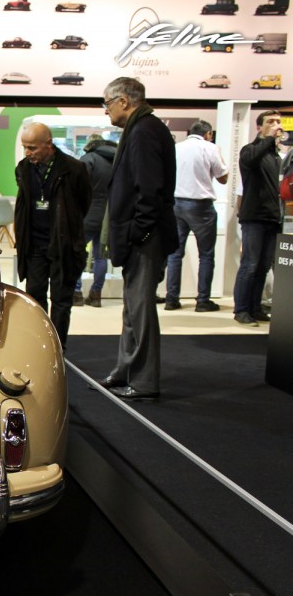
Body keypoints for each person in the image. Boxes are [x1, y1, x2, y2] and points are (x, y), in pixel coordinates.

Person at [97, 77, 177, 400]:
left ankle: (143, 381)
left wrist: (138, 231)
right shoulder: (142, 129)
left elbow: (150, 190)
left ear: (124, 101)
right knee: (132, 308)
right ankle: (126, 370)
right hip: (141, 234)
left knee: (140, 310)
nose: (106, 111)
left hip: (145, 236)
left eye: (107, 103)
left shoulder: (144, 131)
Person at [13, 122, 92, 349]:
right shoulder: (23, 169)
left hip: (63, 247)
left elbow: (83, 204)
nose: (27, 153)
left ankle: (57, 348)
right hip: (34, 246)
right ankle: (38, 347)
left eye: (32, 148)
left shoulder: (74, 169)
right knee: (34, 298)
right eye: (25, 147)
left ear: (48, 144)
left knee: (61, 301)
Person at [164, 120, 229, 312]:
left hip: (176, 203)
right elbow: (223, 178)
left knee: (175, 253)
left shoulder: (177, 148)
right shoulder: (210, 148)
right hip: (201, 206)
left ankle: (171, 298)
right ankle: (202, 300)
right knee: (206, 254)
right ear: (208, 134)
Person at [233, 110, 284, 327]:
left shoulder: (276, 156)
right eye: (270, 122)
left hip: (273, 217)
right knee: (250, 264)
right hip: (254, 217)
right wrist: (269, 139)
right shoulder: (250, 150)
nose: (276, 125)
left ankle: (255, 307)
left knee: (263, 266)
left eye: (278, 121)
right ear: (259, 127)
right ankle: (241, 310)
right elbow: (251, 161)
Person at [74, 134, 117, 307]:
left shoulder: (88, 159)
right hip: (108, 215)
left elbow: (78, 187)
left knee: (77, 252)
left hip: (88, 213)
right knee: (101, 256)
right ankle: (96, 294)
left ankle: (76, 292)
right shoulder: (115, 160)